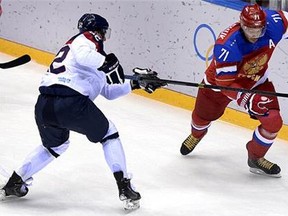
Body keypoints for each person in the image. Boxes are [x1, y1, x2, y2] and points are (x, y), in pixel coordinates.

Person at [0, 13, 166, 210]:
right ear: (98, 32)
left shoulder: (90, 59)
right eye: (104, 34)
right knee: (109, 134)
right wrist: (107, 63)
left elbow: (109, 91)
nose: (104, 38)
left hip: (44, 105)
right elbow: (85, 55)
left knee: (54, 146)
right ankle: (125, 187)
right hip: (70, 102)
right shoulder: (85, 41)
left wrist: (135, 84)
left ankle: (14, 183)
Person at [180, 4, 287, 178]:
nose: (255, 35)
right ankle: (196, 134)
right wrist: (249, 100)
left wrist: (252, 97)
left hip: (255, 81)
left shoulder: (274, 23)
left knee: (273, 121)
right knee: (201, 119)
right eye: (250, 30)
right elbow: (225, 85)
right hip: (218, 85)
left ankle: (256, 158)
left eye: (259, 30)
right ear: (242, 25)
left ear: (265, 25)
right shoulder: (228, 45)